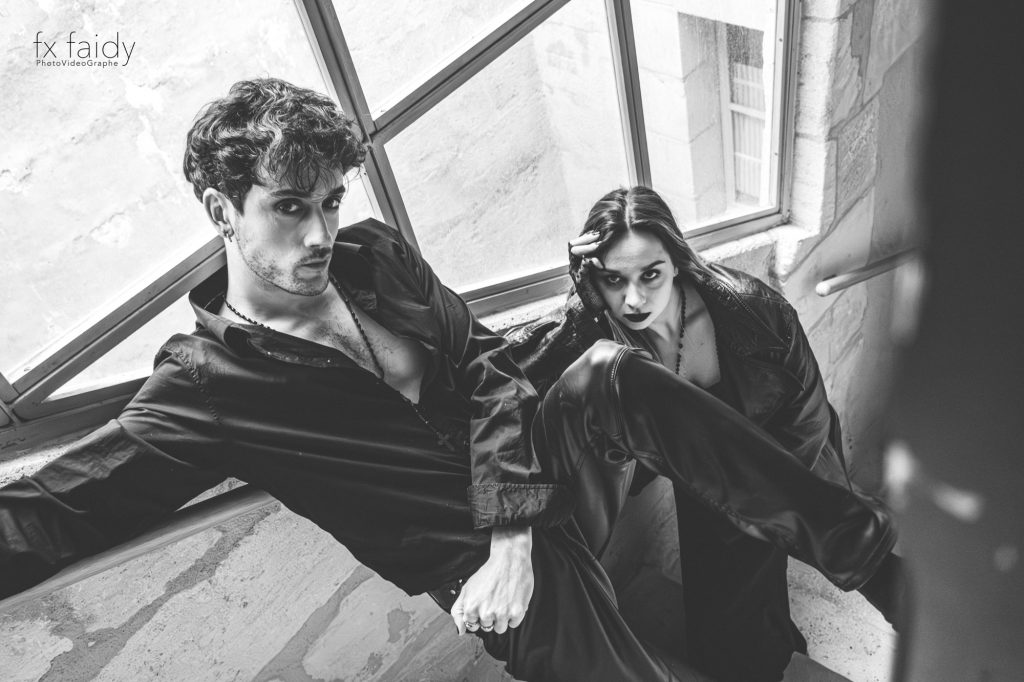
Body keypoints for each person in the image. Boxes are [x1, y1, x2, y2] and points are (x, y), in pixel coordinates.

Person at [0, 78, 894, 682]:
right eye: (288, 208)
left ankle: (875, 565)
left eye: (329, 202)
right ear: (221, 211)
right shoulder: (209, 384)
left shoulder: (375, 259)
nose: (318, 235)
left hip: (536, 491)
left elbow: (490, 368)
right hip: (494, 581)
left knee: (611, 373)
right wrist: (506, 553)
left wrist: (513, 529)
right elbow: (55, 510)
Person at [505, 185, 904, 681]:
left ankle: (784, 642)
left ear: (676, 261)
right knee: (719, 613)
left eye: (650, 274)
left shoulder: (753, 311)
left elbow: (808, 418)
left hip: (781, 463)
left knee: (751, 580)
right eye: (613, 280)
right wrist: (578, 313)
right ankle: (764, 646)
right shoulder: (601, 331)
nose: (634, 299)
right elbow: (507, 382)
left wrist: (762, 511)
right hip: (696, 478)